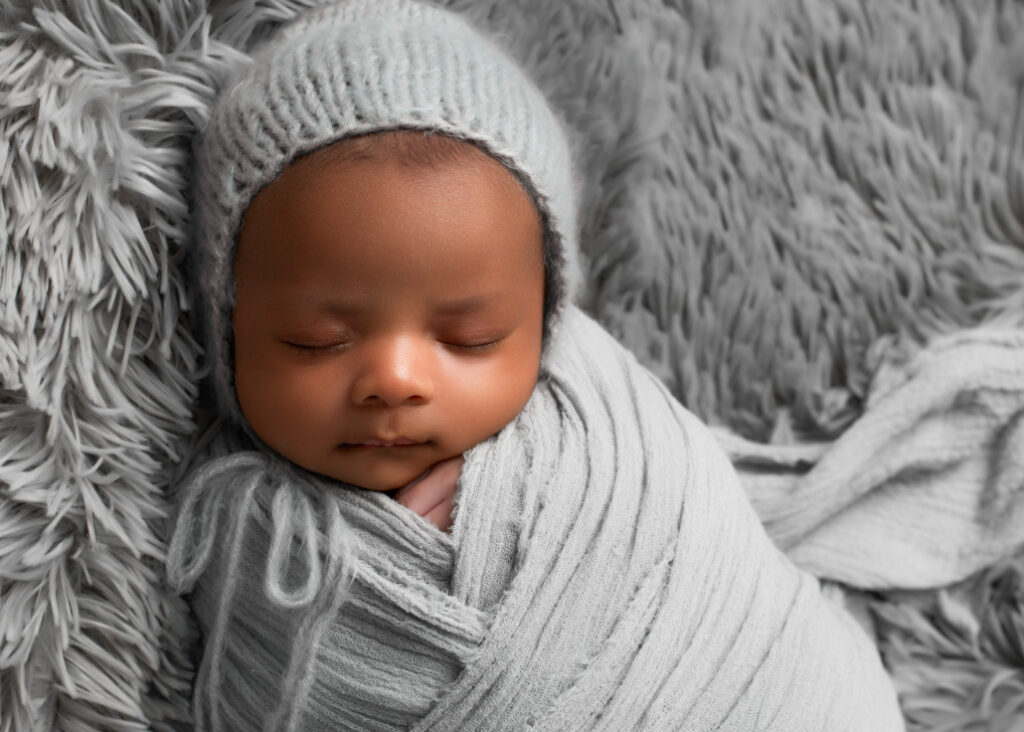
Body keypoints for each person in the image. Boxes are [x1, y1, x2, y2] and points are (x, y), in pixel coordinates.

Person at [168, 0, 905, 729]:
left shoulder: (609, 434)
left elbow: (703, 549)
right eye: (317, 339)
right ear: (229, 325)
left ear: (547, 323)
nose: (396, 379)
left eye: (471, 337)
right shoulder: (237, 542)